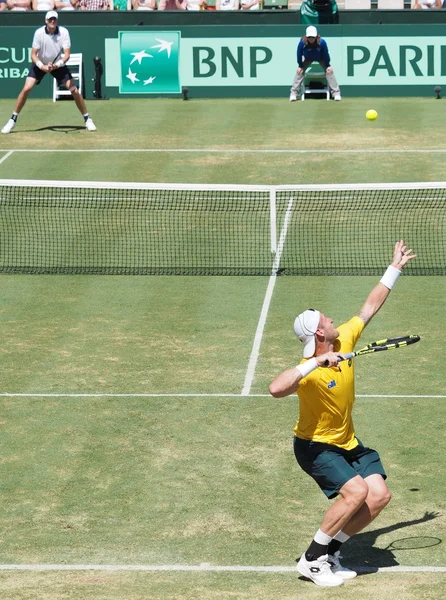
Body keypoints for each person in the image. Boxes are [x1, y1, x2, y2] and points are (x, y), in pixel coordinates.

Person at [269, 240, 416, 588]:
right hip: (315, 447)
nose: (333, 318)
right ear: (320, 333)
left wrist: (394, 268)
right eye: (326, 319)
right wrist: (315, 363)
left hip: (347, 442)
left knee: (378, 496)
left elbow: (369, 307)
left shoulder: (345, 341)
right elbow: (276, 389)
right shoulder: (310, 370)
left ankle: (330, 552)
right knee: (355, 493)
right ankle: (311, 561)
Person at [1, 11, 96, 135]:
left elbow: (67, 55)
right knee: (26, 89)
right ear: (46, 21)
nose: (52, 21)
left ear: (57, 21)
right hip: (40, 64)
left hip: (58, 65)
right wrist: (42, 66)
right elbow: (33, 55)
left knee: (74, 90)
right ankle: (12, 120)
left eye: (54, 19)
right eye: (50, 19)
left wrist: (56, 65)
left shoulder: (64, 32)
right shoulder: (39, 33)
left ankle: (87, 119)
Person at [290, 25, 341, 102]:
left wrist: (327, 65)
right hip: (307, 58)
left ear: (316, 36)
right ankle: (294, 94)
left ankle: (336, 94)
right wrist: (300, 65)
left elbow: (326, 54)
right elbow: (299, 54)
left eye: (313, 37)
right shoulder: (302, 43)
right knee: (300, 71)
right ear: (306, 37)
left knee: (329, 71)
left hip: (321, 58)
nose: (311, 39)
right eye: (309, 37)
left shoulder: (322, 42)